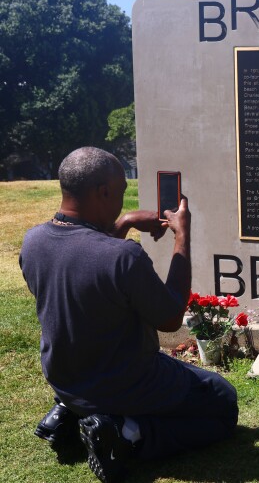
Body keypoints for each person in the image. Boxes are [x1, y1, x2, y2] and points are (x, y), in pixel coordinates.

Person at [19, 147, 238, 482]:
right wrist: (182, 237)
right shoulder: (124, 257)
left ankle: (72, 414)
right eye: (121, 192)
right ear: (103, 192)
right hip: (127, 382)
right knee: (222, 401)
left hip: (68, 380)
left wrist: (123, 222)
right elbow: (168, 318)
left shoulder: (33, 242)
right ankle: (125, 435)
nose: (123, 199)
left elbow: (88, 269)